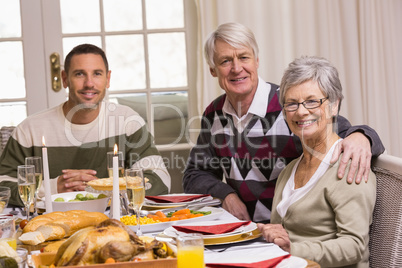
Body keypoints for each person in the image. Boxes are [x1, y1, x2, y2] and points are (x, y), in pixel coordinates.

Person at [183, 22, 384, 223]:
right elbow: (194, 173)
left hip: (293, 234)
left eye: (244, 57)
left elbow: (341, 130)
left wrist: (362, 136)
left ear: (257, 61)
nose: (237, 68)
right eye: (226, 61)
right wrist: (226, 195)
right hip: (244, 234)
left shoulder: (289, 104)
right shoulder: (214, 114)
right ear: (212, 70)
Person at [0, 44, 170, 206]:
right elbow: (3, 185)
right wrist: (53, 188)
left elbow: (160, 179)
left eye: (97, 73)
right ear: (65, 79)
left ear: (107, 79)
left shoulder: (127, 121)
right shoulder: (30, 129)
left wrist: (108, 189)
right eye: (80, 74)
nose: (89, 83)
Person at [257, 56, 376, 267]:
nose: (301, 111)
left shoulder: (350, 165)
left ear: (334, 106)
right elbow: (282, 234)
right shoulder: (290, 170)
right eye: (292, 103)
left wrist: (292, 248)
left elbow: (354, 246)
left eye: (312, 101)